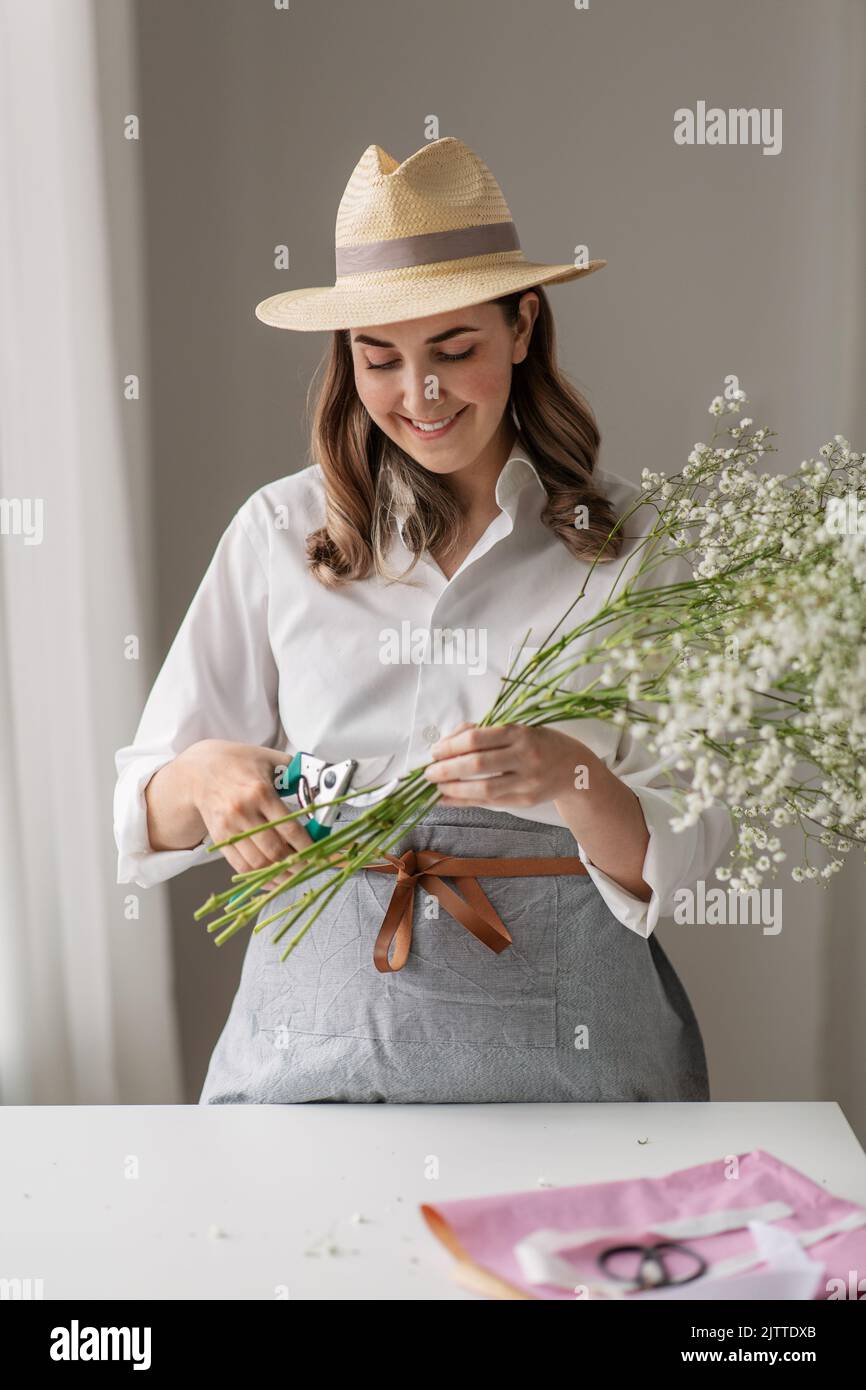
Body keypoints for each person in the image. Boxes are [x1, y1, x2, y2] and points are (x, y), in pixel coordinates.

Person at [113, 136, 732, 1105]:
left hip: (577, 1065)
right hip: (306, 1056)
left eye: (454, 350)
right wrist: (202, 773)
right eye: (380, 360)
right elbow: (140, 810)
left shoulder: (630, 541)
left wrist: (565, 772)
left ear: (522, 325)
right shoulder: (279, 532)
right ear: (345, 359)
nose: (421, 396)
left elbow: (686, 857)